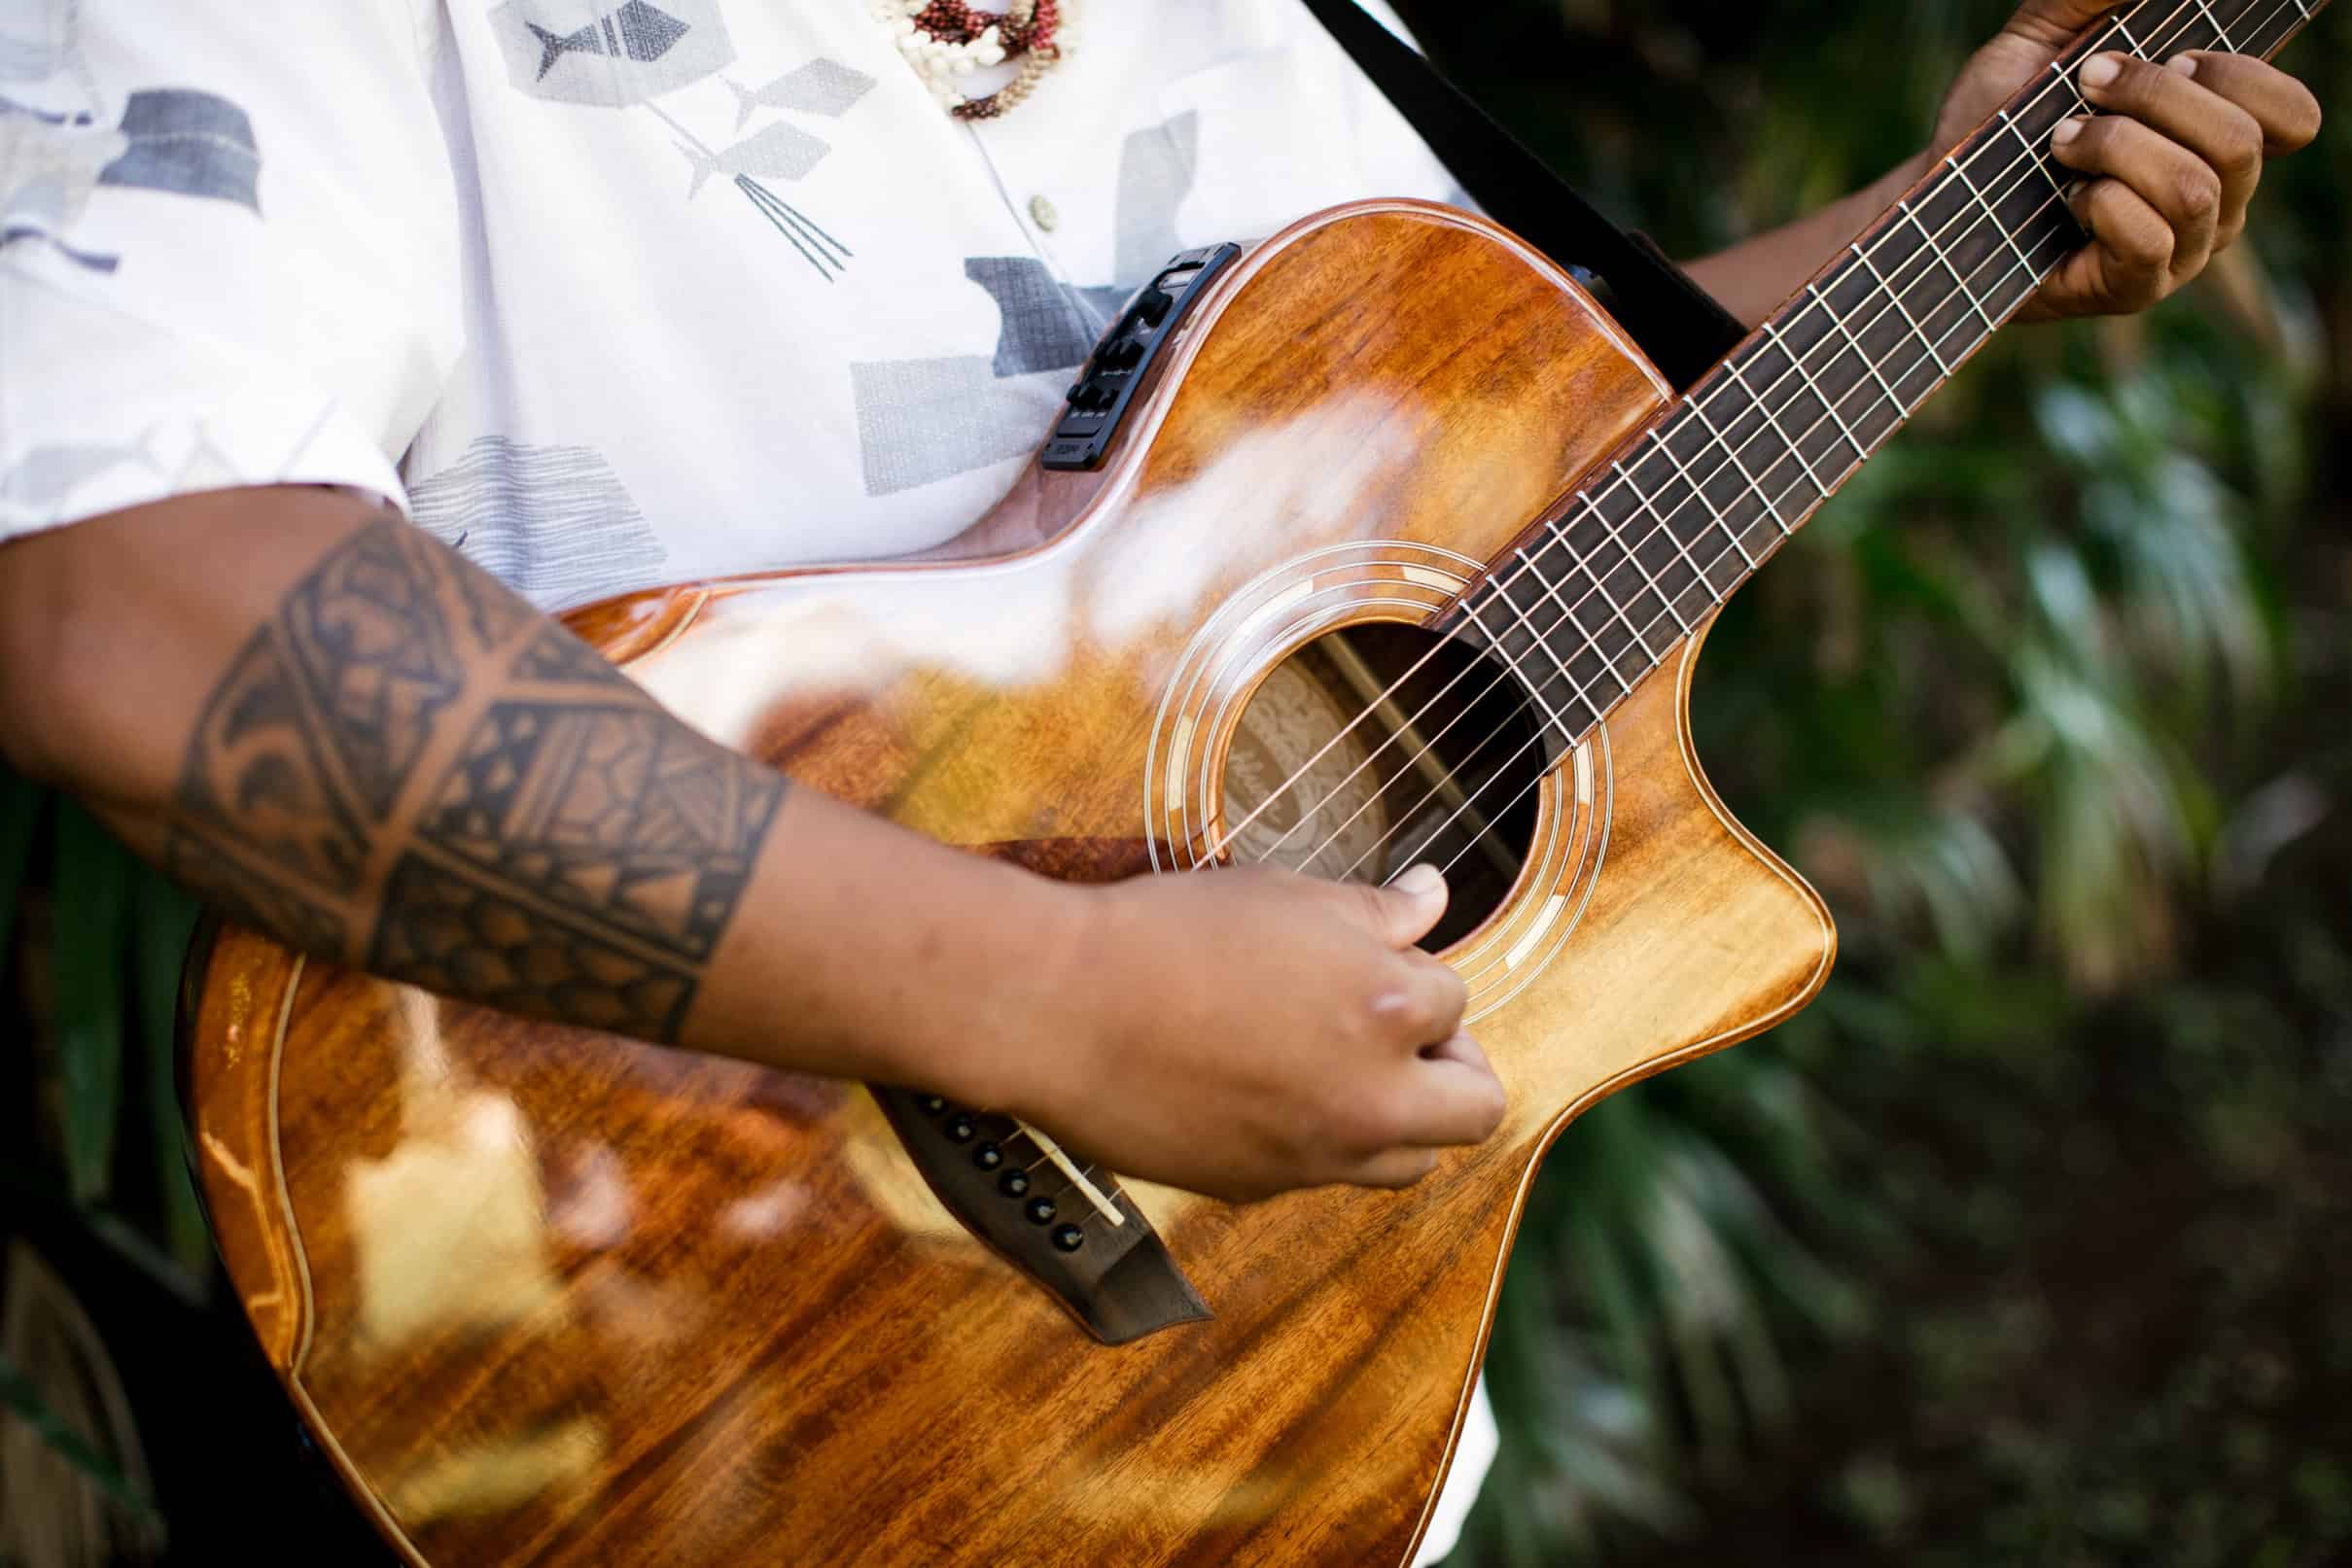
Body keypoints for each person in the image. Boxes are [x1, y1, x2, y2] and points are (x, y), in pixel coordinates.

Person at [0, 1, 2321, 1560]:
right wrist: (1046, 1000)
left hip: (1269, 1466)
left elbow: (1478, 481)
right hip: (627, 1392)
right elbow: (127, 599)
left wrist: (1946, 232)